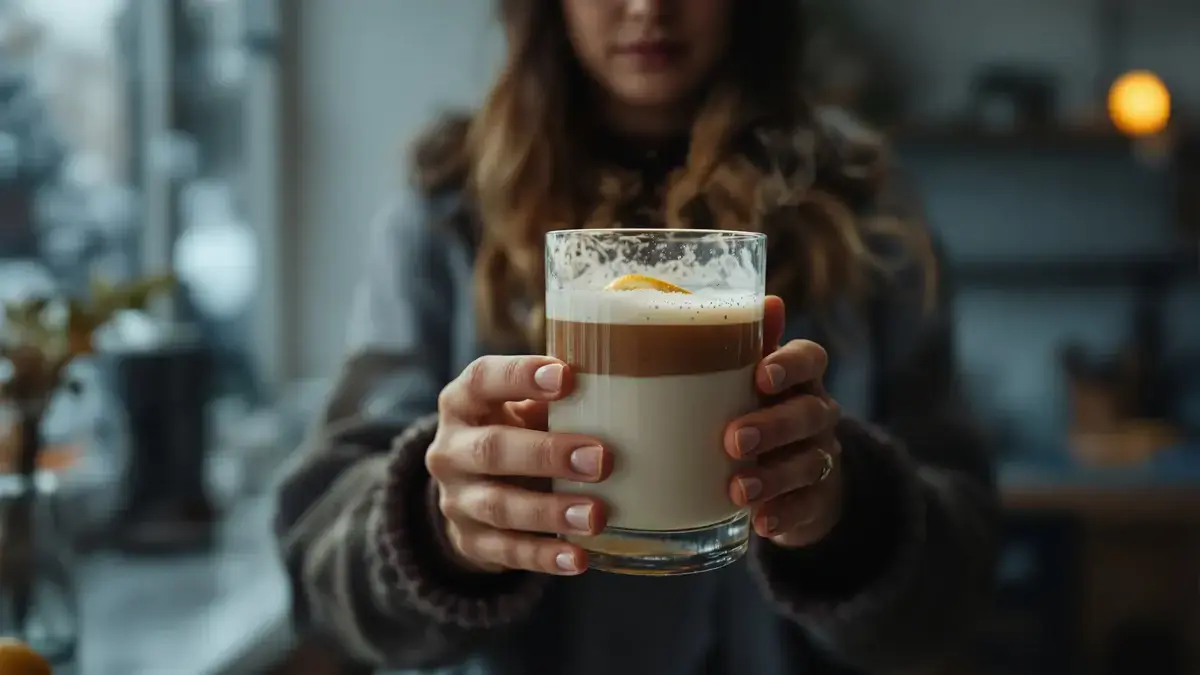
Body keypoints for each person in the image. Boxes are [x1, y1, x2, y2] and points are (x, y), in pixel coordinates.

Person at [275, 1, 998, 673]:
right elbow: (317, 564)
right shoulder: (446, 212)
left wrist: (851, 514)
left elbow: (961, 579)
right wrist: (439, 527)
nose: (649, 6)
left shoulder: (862, 203)